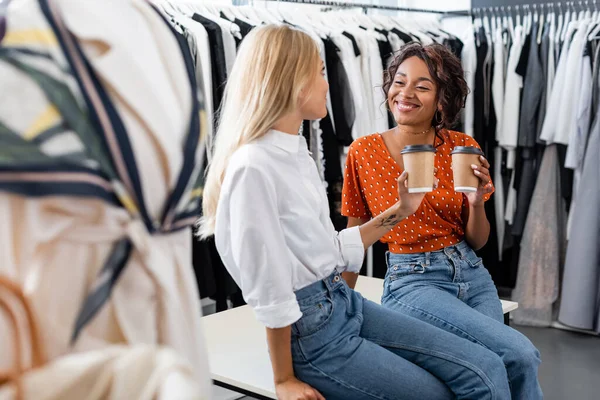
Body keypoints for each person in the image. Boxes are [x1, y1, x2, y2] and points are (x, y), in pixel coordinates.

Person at [200, 24, 515, 400]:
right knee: (457, 387)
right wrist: (282, 377)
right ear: (290, 81)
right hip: (315, 325)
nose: (328, 83)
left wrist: (403, 209)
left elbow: (328, 249)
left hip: (343, 303)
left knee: (490, 366)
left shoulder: (295, 152)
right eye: (319, 72)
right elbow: (269, 285)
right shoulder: (255, 165)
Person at [342, 42, 543, 399]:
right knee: (519, 354)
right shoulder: (363, 151)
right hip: (413, 280)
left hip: (471, 272)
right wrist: (339, 308)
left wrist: (476, 202)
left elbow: (479, 240)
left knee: (493, 370)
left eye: (422, 86)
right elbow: (353, 237)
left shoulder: (462, 146)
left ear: (442, 99)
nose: (405, 93)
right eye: (399, 82)